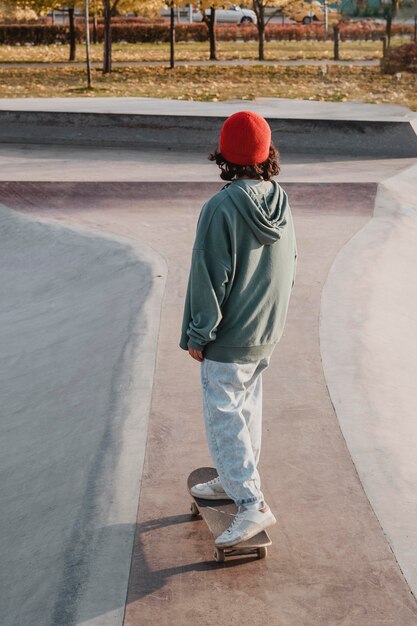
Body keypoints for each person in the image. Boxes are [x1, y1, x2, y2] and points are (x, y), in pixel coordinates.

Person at [180, 110, 297, 548]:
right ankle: (234, 479)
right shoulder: (280, 200)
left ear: (223, 155)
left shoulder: (221, 207)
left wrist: (199, 334)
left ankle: (250, 502)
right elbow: (290, 267)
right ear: (267, 153)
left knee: (224, 413)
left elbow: (211, 276)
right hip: (265, 330)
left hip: (228, 337)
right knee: (247, 409)